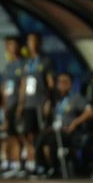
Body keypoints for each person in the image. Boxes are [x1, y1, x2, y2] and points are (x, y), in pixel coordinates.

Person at [35, 72, 93, 177]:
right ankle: (43, 167)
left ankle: (55, 169)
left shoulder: (76, 98)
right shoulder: (57, 100)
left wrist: (75, 123)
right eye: (59, 82)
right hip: (56, 130)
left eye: (64, 82)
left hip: (68, 131)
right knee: (41, 139)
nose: (61, 85)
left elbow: (89, 112)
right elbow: (47, 114)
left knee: (53, 141)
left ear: (70, 84)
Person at [16, 33, 55, 174]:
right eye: (29, 41)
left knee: (41, 135)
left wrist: (49, 101)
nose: (32, 43)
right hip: (28, 104)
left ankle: (44, 165)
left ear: (39, 42)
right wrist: (21, 104)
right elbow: (23, 84)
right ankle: (33, 163)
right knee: (28, 134)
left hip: (40, 103)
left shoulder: (46, 61)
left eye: (34, 41)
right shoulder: (26, 63)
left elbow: (51, 84)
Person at [0, 36, 24, 178]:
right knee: (10, 135)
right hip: (8, 105)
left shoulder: (22, 64)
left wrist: (21, 104)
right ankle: (12, 164)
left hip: (17, 104)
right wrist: (4, 104)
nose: (11, 48)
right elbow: (4, 87)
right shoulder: (8, 66)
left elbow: (23, 86)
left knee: (18, 135)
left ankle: (20, 164)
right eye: (8, 45)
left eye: (13, 45)